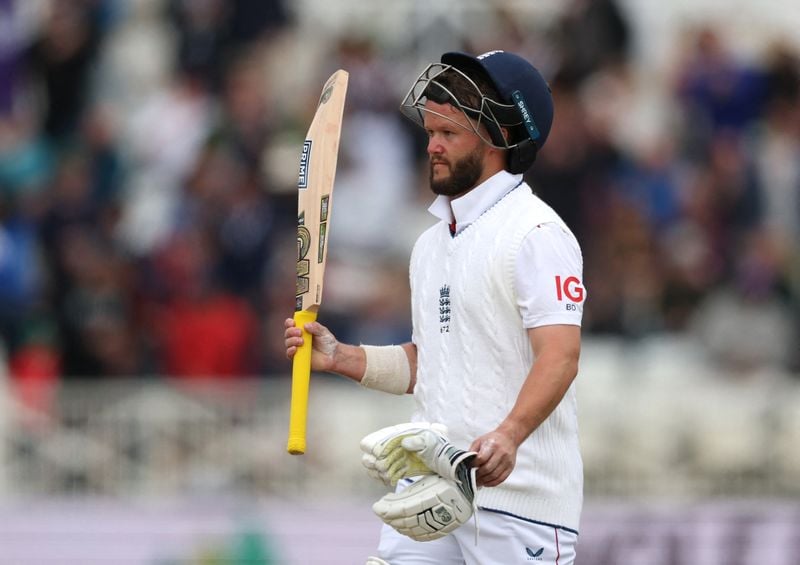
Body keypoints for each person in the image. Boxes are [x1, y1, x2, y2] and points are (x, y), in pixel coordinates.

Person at [284, 50, 587, 565]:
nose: (432, 147)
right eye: (430, 133)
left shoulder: (536, 233)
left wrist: (509, 435)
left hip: (519, 504)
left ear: (500, 136)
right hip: (434, 490)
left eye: (449, 133)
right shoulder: (430, 244)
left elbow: (560, 356)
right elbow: (434, 363)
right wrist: (342, 357)